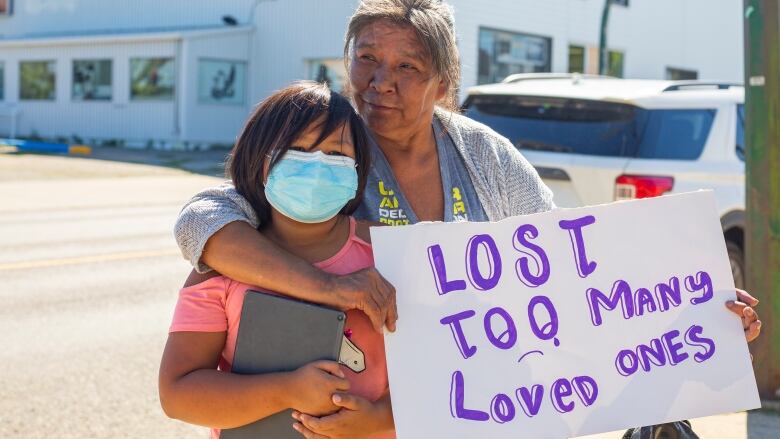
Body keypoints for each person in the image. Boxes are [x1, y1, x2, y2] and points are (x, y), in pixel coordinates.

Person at [172, 1, 762, 437]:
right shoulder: (325, 145)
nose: (383, 82)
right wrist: (331, 286)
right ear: (347, 61)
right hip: (346, 413)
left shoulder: (482, 155)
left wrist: (694, 310)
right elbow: (206, 220)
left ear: (445, 82)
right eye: (368, 59)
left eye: (410, 67)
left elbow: (566, 267)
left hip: (475, 410)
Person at [159, 81, 395, 439]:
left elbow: (443, 370)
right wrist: (287, 390)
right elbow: (178, 393)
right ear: (260, 160)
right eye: (298, 149)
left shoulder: (391, 254)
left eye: (336, 154)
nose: (318, 167)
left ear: (359, 170)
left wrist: (378, 418)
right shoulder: (220, 267)